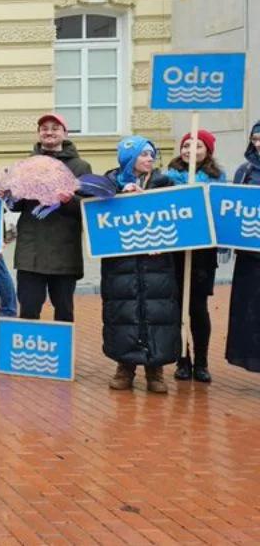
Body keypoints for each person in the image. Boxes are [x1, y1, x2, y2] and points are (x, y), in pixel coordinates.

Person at [101, 137, 180, 393]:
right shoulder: (109, 184)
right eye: (143, 154)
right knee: (124, 312)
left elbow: (180, 213)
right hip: (120, 264)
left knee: (157, 312)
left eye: (152, 154)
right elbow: (89, 205)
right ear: (129, 157)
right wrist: (116, 197)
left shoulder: (165, 183)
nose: (149, 159)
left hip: (157, 263)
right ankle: (125, 367)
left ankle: (155, 370)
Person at [12, 114, 91, 323]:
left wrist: (69, 200)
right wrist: (9, 194)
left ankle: (62, 355)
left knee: (64, 313)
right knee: (28, 312)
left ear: (64, 133)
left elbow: (87, 208)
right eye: (44, 128)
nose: (49, 132)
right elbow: (17, 205)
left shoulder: (80, 167)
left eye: (55, 128)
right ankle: (27, 356)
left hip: (64, 252)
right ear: (39, 133)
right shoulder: (27, 164)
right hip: (31, 252)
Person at [165, 129, 227, 383]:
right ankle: (182, 359)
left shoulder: (217, 177)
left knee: (198, 308)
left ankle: (201, 362)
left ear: (208, 150)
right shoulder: (169, 176)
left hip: (202, 253)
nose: (190, 150)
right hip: (176, 251)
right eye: (186, 145)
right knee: (177, 308)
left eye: (197, 146)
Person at [227, 121, 260, 373]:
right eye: (255, 139)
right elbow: (230, 209)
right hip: (249, 255)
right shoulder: (244, 172)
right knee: (250, 313)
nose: (258, 144)